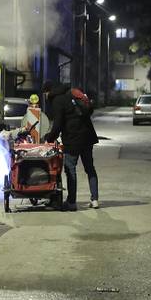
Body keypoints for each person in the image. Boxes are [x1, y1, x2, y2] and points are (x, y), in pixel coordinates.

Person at [42, 80, 99, 210]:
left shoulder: (57, 100)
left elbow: (57, 125)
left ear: (48, 91)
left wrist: (49, 138)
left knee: (70, 169)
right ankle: (95, 199)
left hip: (73, 138)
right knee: (90, 168)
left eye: (45, 93)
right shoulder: (71, 93)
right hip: (87, 136)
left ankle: (72, 202)